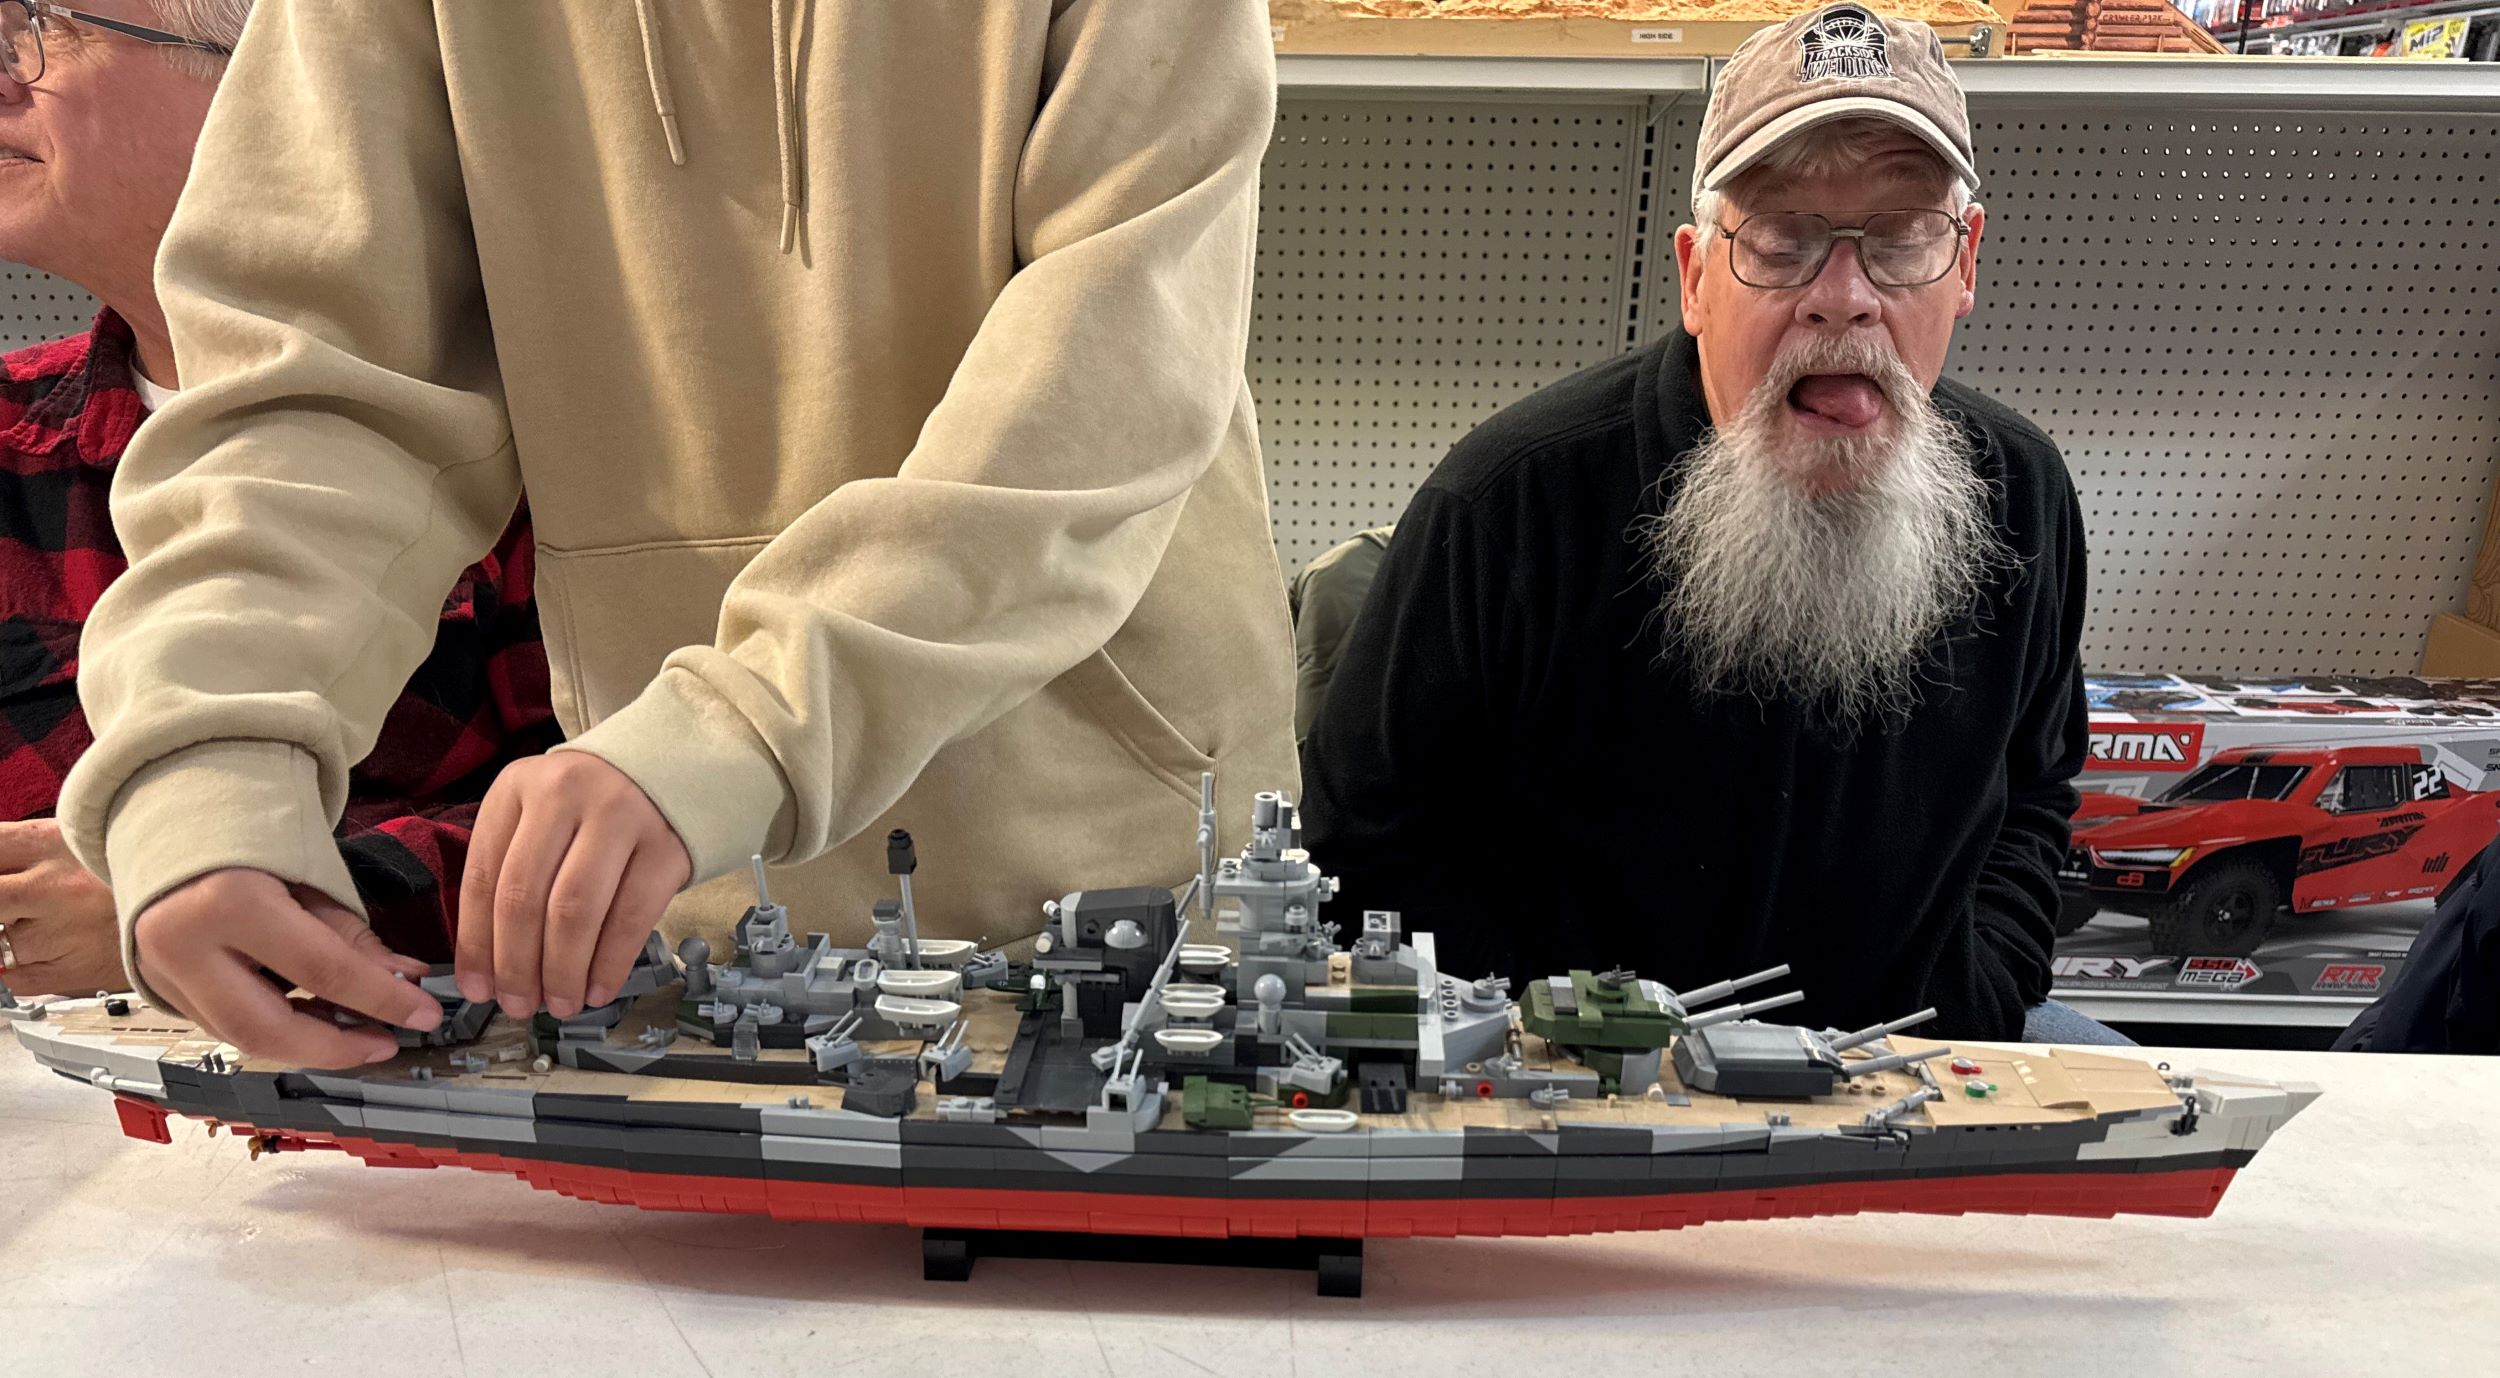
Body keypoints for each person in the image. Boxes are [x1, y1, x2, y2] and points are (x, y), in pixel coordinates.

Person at [58, 1, 1297, 1066]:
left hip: (1118, 893)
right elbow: (320, 392)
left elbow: (1096, 397)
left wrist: (747, 727)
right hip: (688, 897)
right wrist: (209, 759)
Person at [1303, 5, 2121, 1045]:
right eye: (1781, 241)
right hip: (1589, 1086)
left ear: (1964, 265)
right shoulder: (1514, 502)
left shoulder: (2021, 495)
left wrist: (1978, 991)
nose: (1843, 297)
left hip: (1914, 1057)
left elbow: (2036, 787)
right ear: (1695, 276)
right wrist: (1557, 1043)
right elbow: (1365, 845)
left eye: (1902, 239)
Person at [0, 0, 556, 999]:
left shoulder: (544, 445)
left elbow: (627, 825)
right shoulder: (10, 440)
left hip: (386, 1073)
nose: (2, 77)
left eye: (36, 28)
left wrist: (219, 886)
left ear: (271, 77)